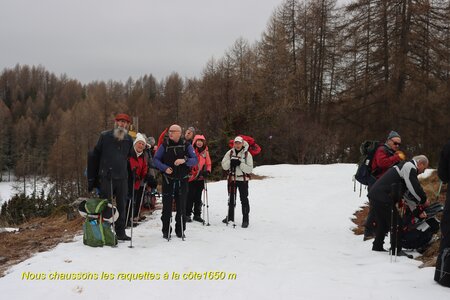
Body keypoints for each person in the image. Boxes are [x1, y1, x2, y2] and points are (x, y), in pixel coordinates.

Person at [368, 155, 429, 258]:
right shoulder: (409, 166)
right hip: (382, 196)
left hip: (376, 195)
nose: (423, 172)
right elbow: (414, 187)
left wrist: (417, 211)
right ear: (420, 163)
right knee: (397, 222)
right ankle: (396, 250)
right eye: (425, 168)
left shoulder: (404, 167)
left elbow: (407, 195)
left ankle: (377, 246)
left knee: (383, 222)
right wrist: (423, 199)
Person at [89, 113, 133, 241]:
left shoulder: (129, 139)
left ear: (128, 125)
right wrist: (94, 177)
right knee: (105, 205)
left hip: (122, 178)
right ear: (115, 122)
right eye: (120, 121)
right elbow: (95, 155)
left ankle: (120, 232)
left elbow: (129, 158)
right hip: (107, 177)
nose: (122, 124)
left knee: (122, 205)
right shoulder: (105, 136)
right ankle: (105, 230)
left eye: (125, 122)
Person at [153, 124, 198, 239]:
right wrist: (164, 168)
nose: (170, 133)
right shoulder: (165, 145)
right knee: (167, 207)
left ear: (179, 133)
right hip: (168, 180)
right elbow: (156, 159)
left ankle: (180, 230)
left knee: (181, 206)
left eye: (173, 131)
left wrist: (184, 160)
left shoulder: (186, 145)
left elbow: (195, 160)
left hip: (182, 180)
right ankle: (166, 230)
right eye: (170, 131)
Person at [364, 130, 406, 240]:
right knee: (375, 207)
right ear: (388, 141)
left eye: (399, 144)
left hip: (382, 183)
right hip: (375, 181)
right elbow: (382, 163)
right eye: (395, 143)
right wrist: (397, 158)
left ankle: (378, 230)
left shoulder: (391, 152)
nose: (397, 146)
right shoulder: (381, 150)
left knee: (380, 207)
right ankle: (368, 232)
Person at [221, 136, 253, 228]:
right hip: (231, 178)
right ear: (234, 144)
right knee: (231, 198)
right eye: (236, 143)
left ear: (242, 143)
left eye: (239, 143)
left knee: (244, 199)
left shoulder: (247, 154)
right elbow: (224, 166)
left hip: (242, 180)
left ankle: (245, 219)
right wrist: (231, 162)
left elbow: (249, 169)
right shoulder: (230, 153)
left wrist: (240, 163)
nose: (238, 145)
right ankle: (230, 217)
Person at [186, 135, 212, 223]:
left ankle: (197, 215)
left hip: (200, 177)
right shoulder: (191, 151)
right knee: (190, 196)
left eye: (201, 141)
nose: (199, 143)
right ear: (195, 142)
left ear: (204, 142)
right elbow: (187, 162)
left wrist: (207, 171)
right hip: (191, 177)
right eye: (198, 141)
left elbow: (208, 164)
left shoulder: (205, 152)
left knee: (198, 196)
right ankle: (187, 214)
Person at [127, 133, 149, 226]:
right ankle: (123, 220)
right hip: (127, 182)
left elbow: (144, 168)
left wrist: (146, 175)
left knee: (132, 202)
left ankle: (129, 219)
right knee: (126, 202)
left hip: (136, 183)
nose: (141, 146)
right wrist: (131, 173)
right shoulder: (129, 154)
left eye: (143, 144)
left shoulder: (142, 156)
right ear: (135, 144)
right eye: (139, 143)